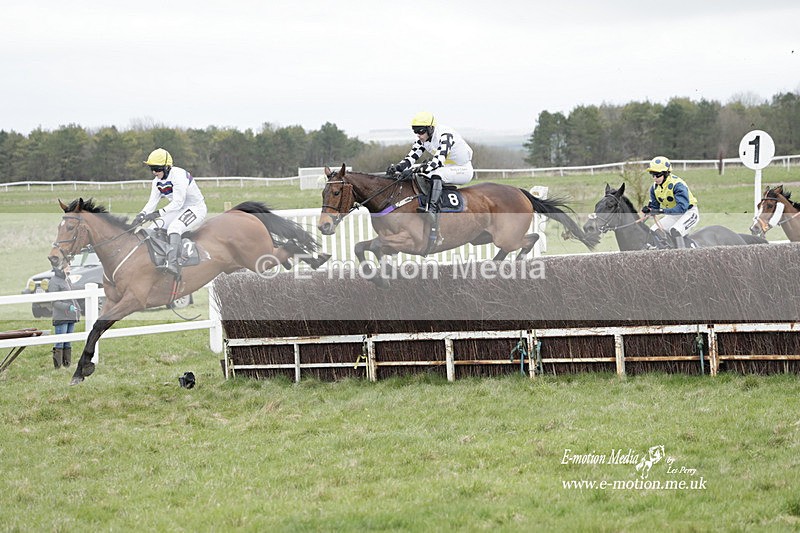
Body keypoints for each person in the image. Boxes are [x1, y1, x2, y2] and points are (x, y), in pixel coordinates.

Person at [386, 112, 474, 223]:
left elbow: (437, 161)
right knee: (421, 175)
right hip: (446, 166)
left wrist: (415, 169)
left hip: (462, 169)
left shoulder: (446, 135)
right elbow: (411, 158)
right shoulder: (423, 139)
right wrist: (397, 168)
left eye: (421, 131)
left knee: (436, 174)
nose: (418, 134)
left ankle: (432, 210)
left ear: (430, 128)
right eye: (415, 131)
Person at [132, 148, 207, 276]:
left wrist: (158, 213)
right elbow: (152, 202)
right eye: (152, 168)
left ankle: (173, 263)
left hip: (195, 208)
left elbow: (178, 202)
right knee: (152, 228)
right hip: (177, 209)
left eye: (157, 168)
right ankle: (159, 257)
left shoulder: (178, 176)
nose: (154, 172)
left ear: (167, 167)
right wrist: (141, 215)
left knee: (174, 227)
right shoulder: (156, 182)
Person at [641, 156, 699, 249]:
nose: (655, 178)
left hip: (689, 213)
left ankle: (682, 256)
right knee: (653, 229)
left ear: (666, 173)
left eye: (657, 175)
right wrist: (649, 209)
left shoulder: (678, 185)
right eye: (653, 175)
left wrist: (661, 211)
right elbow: (654, 206)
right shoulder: (654, 187)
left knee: (675, 230)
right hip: (673, 215)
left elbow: (681, 208)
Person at [48, 264, 80, 369]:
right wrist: (68, 307)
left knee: (68, 341)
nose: (69, 268)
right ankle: (58, 367)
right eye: (67, 266)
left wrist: (76, 308)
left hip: (71, 315)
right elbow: (54, 302)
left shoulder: (68, 280)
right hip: (61, 316)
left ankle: (67, 365)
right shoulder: (54, 281)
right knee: (60, 342)